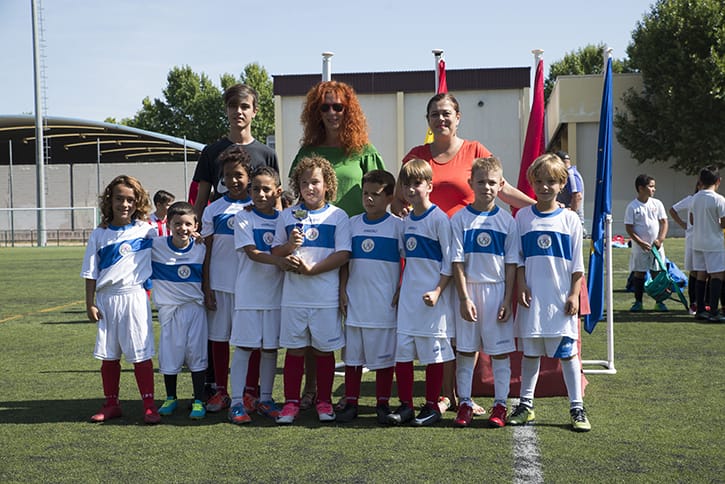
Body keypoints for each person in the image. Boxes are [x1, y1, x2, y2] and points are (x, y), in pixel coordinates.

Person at [392, 92, 535, 415]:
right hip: (431, 258)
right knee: (444, 330)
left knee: (461, 330)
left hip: (472, 255)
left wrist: (539, 208)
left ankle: (463, 395)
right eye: (434, 114)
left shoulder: (475, 150)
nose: (441, 119)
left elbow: (502, 188)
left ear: (458, 117)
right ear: (428, 120)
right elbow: (401, 196)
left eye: (447, 113)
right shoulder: (417, 155)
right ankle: (448, 396)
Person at [289, 80, 385, 410]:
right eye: (325, 107)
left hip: (359, 246)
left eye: (339, 107)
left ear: (349, 110)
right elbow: (295, 198)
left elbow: (382, 192)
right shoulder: (307, 153)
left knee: (351, 315)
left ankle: (351, 390)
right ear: (316, 113)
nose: (332, 113)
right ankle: (312, 388)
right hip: (317, 249)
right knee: (316, 320)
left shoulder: (365, 151)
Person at [508, 153, 590, 432]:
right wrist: (521, 285)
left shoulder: (570, 220)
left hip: (560, 300)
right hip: (533, 300)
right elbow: (518, 258)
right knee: (531, 354)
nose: (544, 187)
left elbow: (577, 264)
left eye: (551, 182)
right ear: (532, 182)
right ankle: (526, 405)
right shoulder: (522, 217)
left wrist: (574, 295)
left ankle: (577, 407)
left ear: (562, 184)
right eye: (539, 181)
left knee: (568, 354)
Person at [272, 155, 351, 424]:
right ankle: (291, 403)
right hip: (294, 298)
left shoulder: (338, 216)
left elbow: (343, 254)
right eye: (304, 183)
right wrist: (289, 248)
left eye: (315, 182)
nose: (310, 187)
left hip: (324, 298)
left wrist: (312, 270)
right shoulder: (287, 216)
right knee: (294, 350)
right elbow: (276, 252)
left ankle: (324, 401)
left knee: (323, 351)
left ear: (327, 184)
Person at [81, 175, 160, 424]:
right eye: (119, 199)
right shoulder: (99, 234)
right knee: (109, 355)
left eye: (130, 200)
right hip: (107, 300)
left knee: (140, 353)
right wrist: (90, 303)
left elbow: (171, 247)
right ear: (110, 201)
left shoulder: (147, 230)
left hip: (134, 297)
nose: (124, 204)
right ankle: (111, 404)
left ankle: (149, 405)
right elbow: (91, 272)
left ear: (138, 202)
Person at [386, 159, 454, 427]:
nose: (411, 189)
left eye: (417, 183)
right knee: (403, 352)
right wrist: (400, 289)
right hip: (409, 300)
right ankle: (406, 405)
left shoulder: (439, 220)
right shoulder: (405, 222)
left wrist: (437, 291)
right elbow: (407, 260)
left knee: (432, 353)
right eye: (406, 184)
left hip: (432, 301)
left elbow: (449, 262)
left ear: (430, 186)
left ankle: (432, 405)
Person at [450, 157, 517, 428]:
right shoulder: (459, 219)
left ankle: (500, 404)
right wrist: (464, 298)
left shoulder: (507, 221)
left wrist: (507, 299)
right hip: (468, 292)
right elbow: (456, 261)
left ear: (500, 185)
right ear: (471, 183)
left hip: (496, 292)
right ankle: (465, 403)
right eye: (481, 182)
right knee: (466, 351)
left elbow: (511, 264)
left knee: (499, 353)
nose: (486, 187)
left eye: (492, 183)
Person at [337, 169, 404, 424]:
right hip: (355, 303)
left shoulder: (398, 226)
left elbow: (408, 261)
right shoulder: (352, 224)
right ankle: (351, 402)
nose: (369, 199)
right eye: (366, 193)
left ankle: (382, 403)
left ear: (389, 197)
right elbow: (345, 261)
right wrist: (342, 289)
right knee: (352, 358)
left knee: (384, 359)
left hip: (384, 305)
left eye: (375, 194)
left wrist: (401, 287)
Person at [228, 166, 290, 424]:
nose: (261, 194)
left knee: (270, 349)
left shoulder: (284, 219)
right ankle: (236, 402)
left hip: (276, 296)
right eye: (256, 189)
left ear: (278, 191)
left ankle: (265, 399)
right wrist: (280, 261)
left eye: (266, 189)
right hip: (249, 295)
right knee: (244, 346)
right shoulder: (244, 217)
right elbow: (252, 252)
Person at [201, 145, 253, 413]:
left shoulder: (258, 207)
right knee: (219, 339)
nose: (233, 180)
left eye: (239, 175)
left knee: (250, 340)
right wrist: (206, 286)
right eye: (228, 175)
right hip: (220, 284)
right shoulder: (214, 209)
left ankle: (250, 392)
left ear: (249, 176)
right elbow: (206, 251)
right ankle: (221, 391)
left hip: (251, 288)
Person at [151, 201, 208, 420]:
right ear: (168, 225)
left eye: (187, 224)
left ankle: (198, 400)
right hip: (170, 310)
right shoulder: (156, 245)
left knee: (197, 353)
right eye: (177, 224)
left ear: (195, 226)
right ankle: (170, 397)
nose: (182, 228)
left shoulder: (201, 247)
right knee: (170, 354)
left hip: (195, 309)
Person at [192, 84, 278, 217]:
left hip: (258, 227)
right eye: (233, 106)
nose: (238, 111)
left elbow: (276, 201)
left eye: (245, 106)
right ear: (226, 110)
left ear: (255, 111)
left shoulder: (267, 154)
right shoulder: (210, 152)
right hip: (220, 226)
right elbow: (201, 202)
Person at [624, 174, 669, 312]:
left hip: (656, 247)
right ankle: (638, 302)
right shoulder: (632, 206)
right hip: (640, 248)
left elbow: (664, 222)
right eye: (651, 186)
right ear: (641, 188)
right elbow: (629, 227)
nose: (654, 189)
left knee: (657, 273)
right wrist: (640, 242)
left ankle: (659, 302)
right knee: (639, 273)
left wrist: (660, 239)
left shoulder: (657, 203)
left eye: (654, 186)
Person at [689, 166, 725, 322]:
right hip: (714, 242)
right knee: (717, 275)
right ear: (718, 181)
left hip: (697, 241)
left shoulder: (695, 198)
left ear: (700, 181)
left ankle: (701, 309)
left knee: (701, 274)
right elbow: (723, 222)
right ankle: (714, 311)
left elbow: (691, 220)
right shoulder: (718, 199)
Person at [669, 182, 701, 314]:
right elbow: (673, 210)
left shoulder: (713, 199)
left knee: (707, 272)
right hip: (693, 239)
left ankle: (705, 303)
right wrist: (683, 224)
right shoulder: (691, 199)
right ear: (698, 186)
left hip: (707, 239)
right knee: (694, 271)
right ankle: (694, 303)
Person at [555, 150, 586, 235]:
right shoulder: (567, 174)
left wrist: (572, 213)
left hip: (571, 221)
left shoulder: (570, 174)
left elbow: (577, 196)